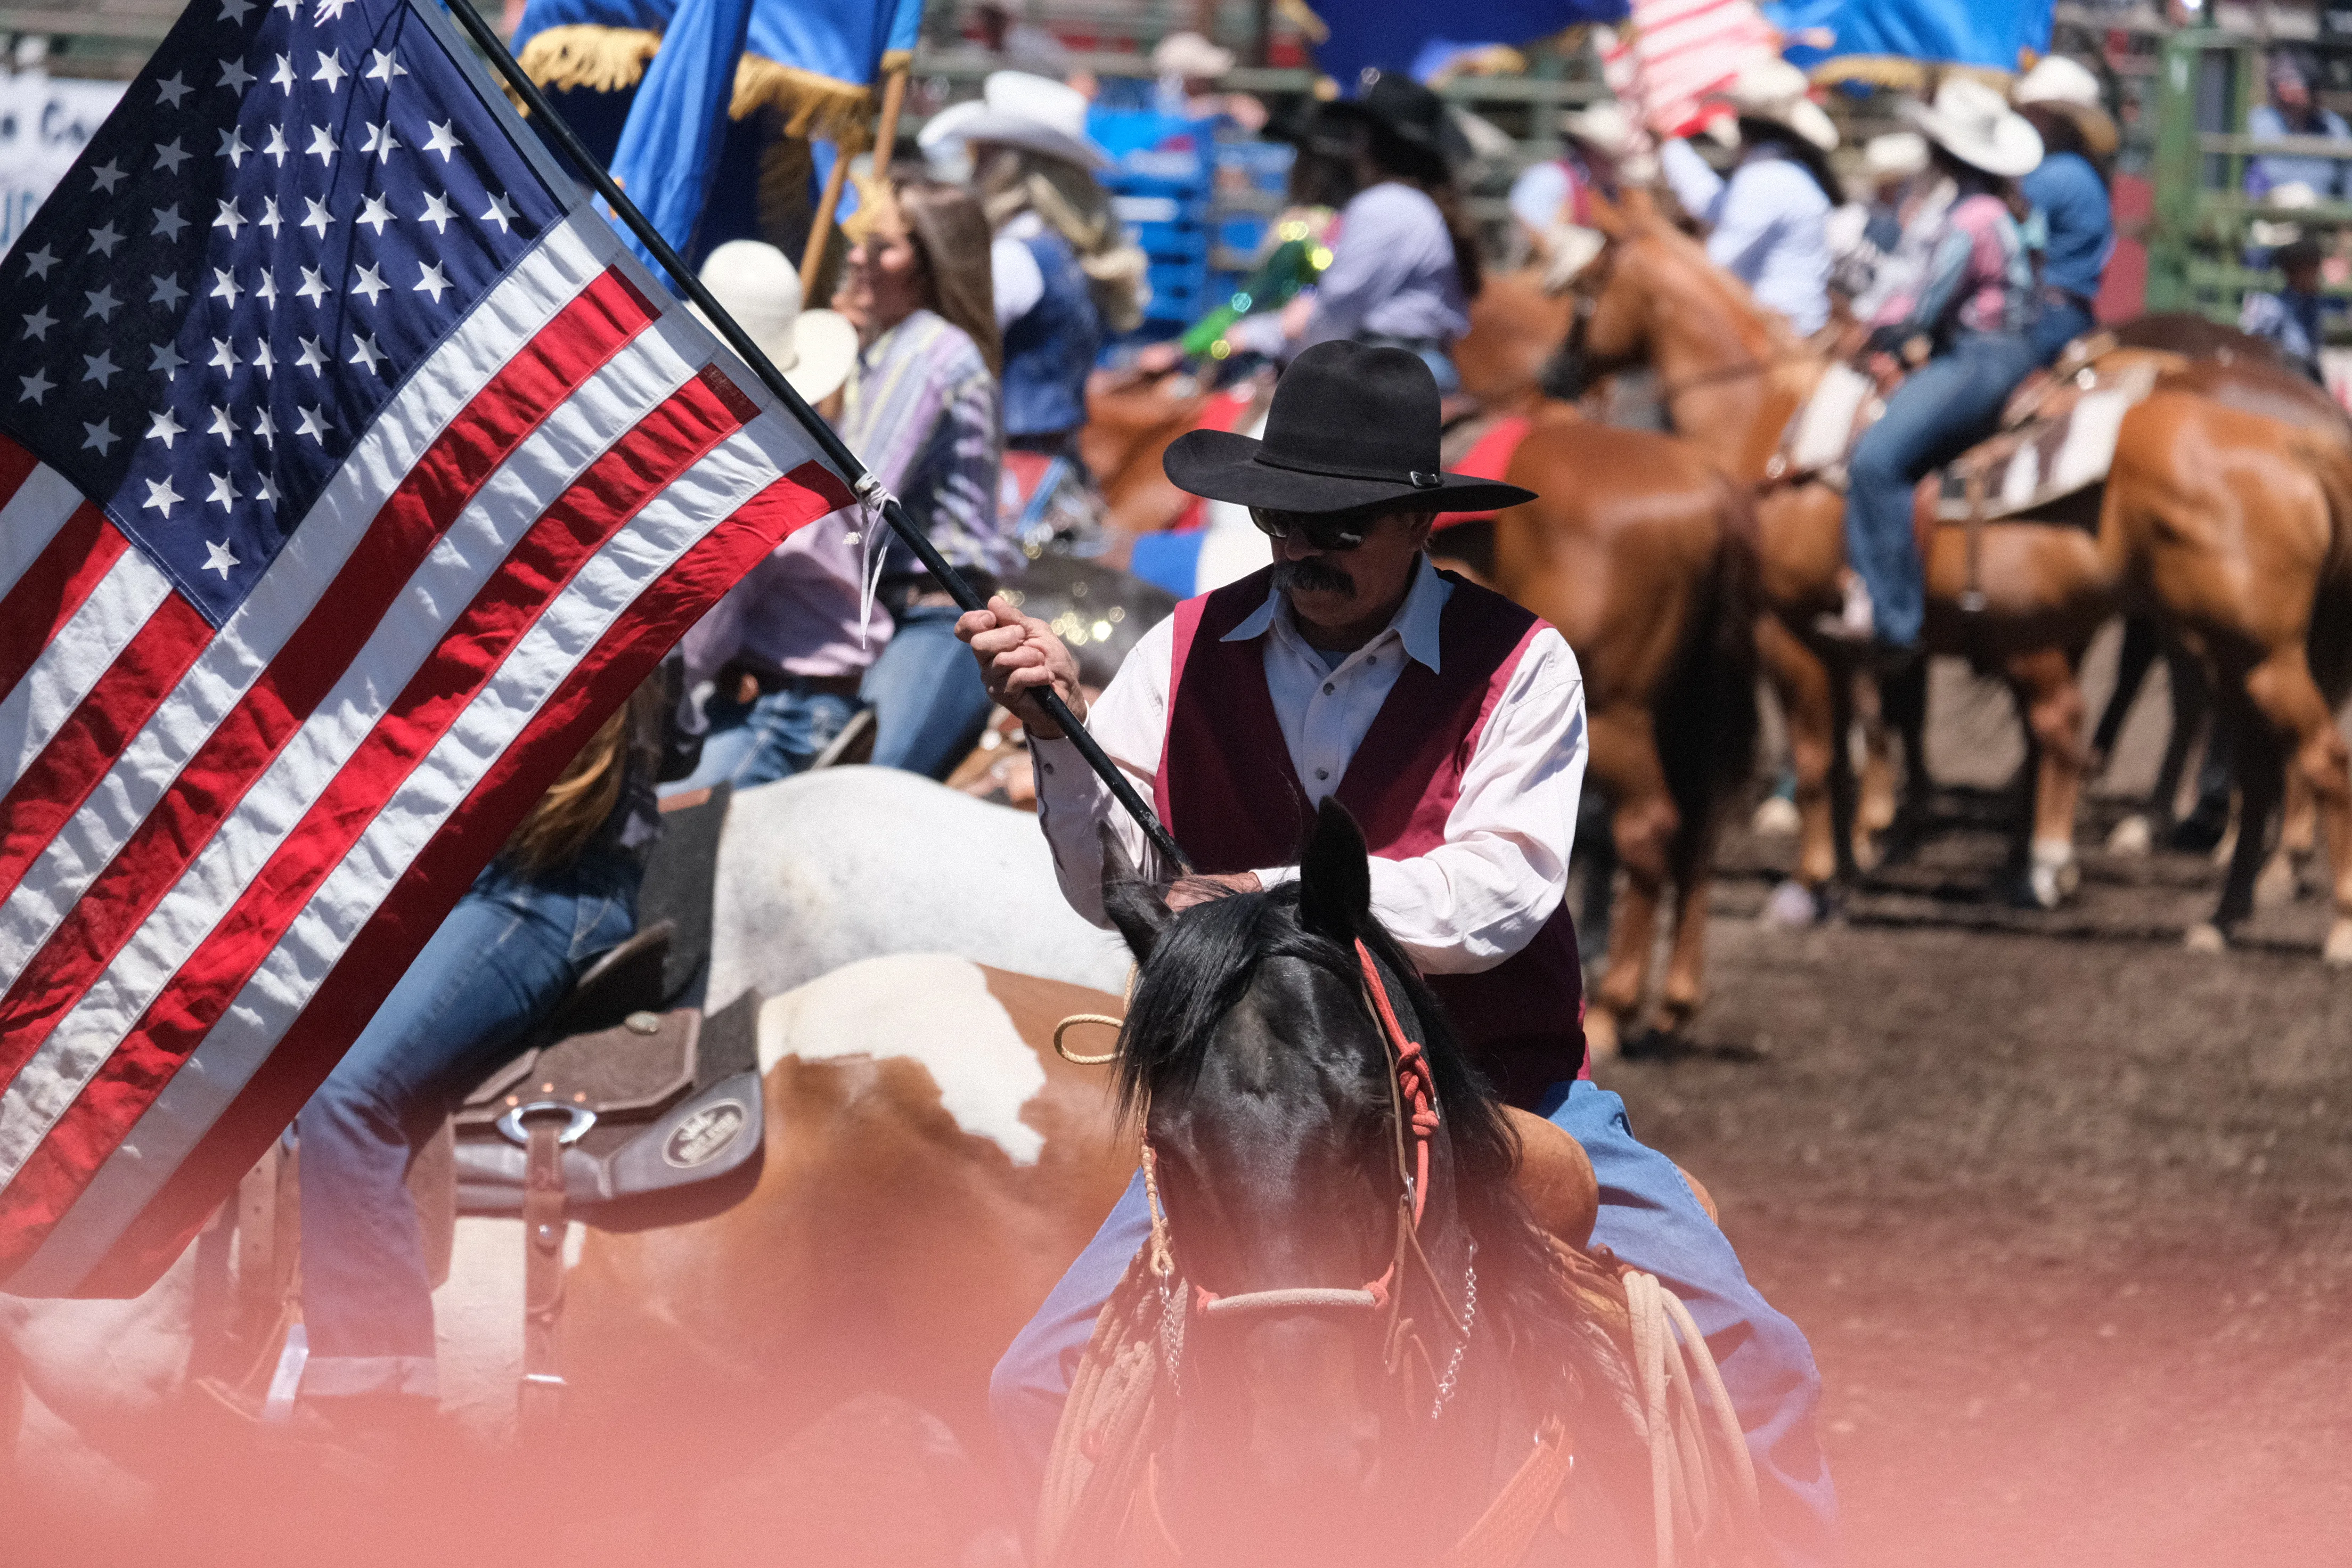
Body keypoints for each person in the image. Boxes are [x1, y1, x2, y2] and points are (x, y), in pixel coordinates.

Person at [957, 341, 1839, 1565]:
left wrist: (1260, 891)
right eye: (1279, 515)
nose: (1298, 545)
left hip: (1502, 1087)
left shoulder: (1520, 663)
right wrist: (1052, 735)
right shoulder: (1176, 650)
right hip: (1257, 1109)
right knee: (1031, 1389)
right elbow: (1105, 876)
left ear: (1420, 520)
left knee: (1755, 1361)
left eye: (1338, 522)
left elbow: (1502, 890)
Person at [292, 672, 693, 1440]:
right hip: (505, 873)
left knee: (348, 1093)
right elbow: (682, 746)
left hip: (538, 887)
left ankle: (377, 1399)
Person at [1833, 79, 2043, 657]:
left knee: (1875, 460)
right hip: (1999, 348)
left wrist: (1878, 334)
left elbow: (1927, 306)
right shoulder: (1990, 210)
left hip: (1981, 355)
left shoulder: (1969, 219)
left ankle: (1893, 620)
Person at [661, 241, 880, 794]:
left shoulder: (752, 480)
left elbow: (700, 647)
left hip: (789, 713)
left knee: (656, 825)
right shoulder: (795, 447)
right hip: (791, 692)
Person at [831, 175, 1018, 781]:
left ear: (929, 262)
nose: (858, 256)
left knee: (851, 795)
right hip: (890, 608)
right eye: (863, 242)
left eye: (882, 246)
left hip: (936, 619)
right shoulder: (893, 348)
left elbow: (853, 508)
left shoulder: (927, 353)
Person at [1283, 70, 1483, 392]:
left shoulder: (1386, 206)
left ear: (1374, 143)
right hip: (1421, 364)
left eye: (1359, 134)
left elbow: (1337, 313)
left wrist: (1276, 336)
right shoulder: (1421, 206)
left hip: (1383, 373)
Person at [1657, 58, 1842, 337]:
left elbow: (1718, 258)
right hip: (1797, 321)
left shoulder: (1764, 178)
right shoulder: (1784, 172)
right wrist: (1669, 145)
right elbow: (1715, 204)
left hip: (1781, 329)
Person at [2014, 55, 2118, 364]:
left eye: (2034, 113)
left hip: (2048, 314)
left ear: (2050, 119)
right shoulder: (2082, 170)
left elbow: (2012, 236)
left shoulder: (2052, 175)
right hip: (2073, 311)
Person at [2247, 50, 2351, 200]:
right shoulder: (2257, 123)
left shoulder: (2334, 127)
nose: (2316, 93)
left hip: (2322, 218)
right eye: (2281, 81)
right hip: (2268, 218)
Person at [2240, 235, 2330, 382]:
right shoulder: (2272, 306)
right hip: (2281, 376)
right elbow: (2255, 346)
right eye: (2311, 269)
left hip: (2306, 373)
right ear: (2294, 271)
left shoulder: (2311, 303)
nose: (2316, 275)